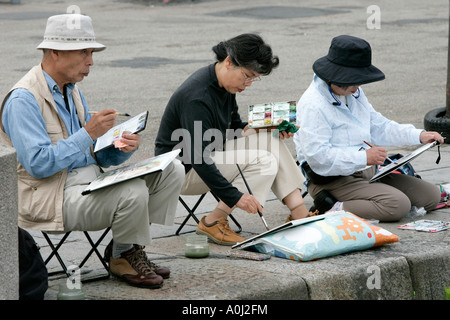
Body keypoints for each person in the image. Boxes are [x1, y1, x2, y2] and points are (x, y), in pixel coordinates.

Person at [0, 13, 185, 289]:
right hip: (49, 197)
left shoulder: (71, 90)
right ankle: (123, 256)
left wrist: (119, 148)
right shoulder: (23, 99)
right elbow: (38, 164)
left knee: (171, 170)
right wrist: (87, 133)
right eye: (84, 52)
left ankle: (128, 247)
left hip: (86, 183)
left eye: (91, 52)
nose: (91, 61)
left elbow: (90, 154)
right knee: (131, 192)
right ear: (55, 53)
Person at [155, 33, 311, 246]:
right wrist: (236, 196)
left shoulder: (224, 84)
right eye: (247, 75)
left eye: (254, 78)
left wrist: (269, 127)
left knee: (268, 138)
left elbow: (235, 129)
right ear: (229, 62)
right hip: (182, 170)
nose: (248, 83)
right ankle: (213, 221)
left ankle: (298, 212)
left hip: (210, 152)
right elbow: (198, 157)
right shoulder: (198, 97)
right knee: (264, 161)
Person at [294, 35, 443, 222]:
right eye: (354, 81)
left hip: (364, 170)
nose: (358, 87)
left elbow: (378, 125)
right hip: (331, 180)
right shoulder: (313, 105)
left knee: (430, 196)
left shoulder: (352, 91)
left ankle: (367, 195)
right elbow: (318, 158)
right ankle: (330, 206)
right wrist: (364, 157)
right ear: (336, 77)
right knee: (397, 205)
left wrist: (419, 135)